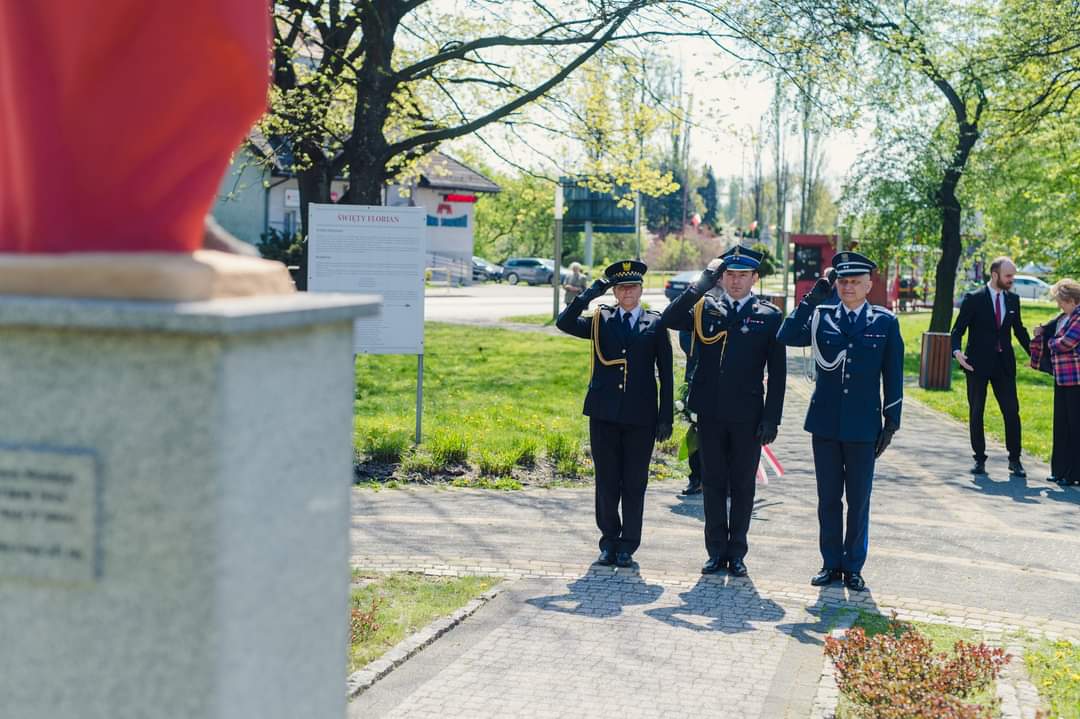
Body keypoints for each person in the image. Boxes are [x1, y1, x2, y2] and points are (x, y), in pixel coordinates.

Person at [777, 251, 903, 592]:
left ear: (868, 285)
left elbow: (893, 376)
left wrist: (891, 422)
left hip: (863, 426)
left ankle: (854, 566)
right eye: (843, 281)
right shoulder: (822, 316)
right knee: (828, 499)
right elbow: (786, 336)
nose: (848, 287)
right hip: (826, 424)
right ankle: (830, 563)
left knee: (859, 500)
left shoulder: (885, 322)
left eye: (855, 282)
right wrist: (811, 300)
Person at [661, 246, 786, 577]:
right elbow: (670, 318)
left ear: (754, 278)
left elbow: (778, 373)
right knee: (713, 482)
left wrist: (771, 418)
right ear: (721, 277)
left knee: (743, 486)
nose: (735, 281)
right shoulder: (705, 309)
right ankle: (716, 552)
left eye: (743, 275)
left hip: (748, 415)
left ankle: (737, 552)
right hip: (711, 412)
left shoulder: (769, 315)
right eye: (729, 275)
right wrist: (701, 284)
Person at [556, 259, 674, 568]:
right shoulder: (600, 320)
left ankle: (628, 545)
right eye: (621, 288)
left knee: (634, 482)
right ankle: (608, 542)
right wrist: (590, 293)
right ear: (614, 291)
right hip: (604, 414)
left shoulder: (655, 323)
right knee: (607, 482)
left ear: (641, 289)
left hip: (641, 416)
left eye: (632, 287)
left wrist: (666, 417)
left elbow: (666, 374)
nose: (627, 293)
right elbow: (564, 322)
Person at [950, 257, 1032, 476]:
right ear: (995, 275)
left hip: (1004, 365)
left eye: (1013, 275)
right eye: (1008, 276)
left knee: (1011, 411)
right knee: (977, 411)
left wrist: (1036, 356)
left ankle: (1015, 460)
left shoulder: (1013, 299)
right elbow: (957, 331)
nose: (1012, 280)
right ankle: (979, 459)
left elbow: (1019, 331)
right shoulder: (974, 299)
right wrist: (957, 352)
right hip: (976, 365)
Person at [1040, 280, 1080, 486]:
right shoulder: (1066, 317)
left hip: (1075, 380)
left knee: (1075, 426)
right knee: (1061, 425)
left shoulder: (1078, 317)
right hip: (1063, 377)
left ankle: (1073, 473)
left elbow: (1066, 343)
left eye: (1061, 302)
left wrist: (1050, 342)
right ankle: (1059, 470)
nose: (1059, 305)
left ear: (1072, 300)